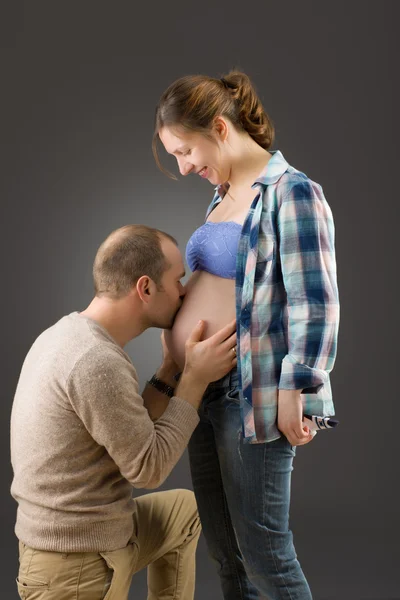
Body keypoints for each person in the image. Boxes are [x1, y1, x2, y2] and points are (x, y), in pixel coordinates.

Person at [152, 70, 340, 599]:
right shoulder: (224, 194)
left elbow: (314, 300)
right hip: (201, 391)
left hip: (249, 395)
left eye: (186, 151)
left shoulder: (293, 192)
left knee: (265, 558)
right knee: (227, 557)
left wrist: (295, 391)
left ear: (218, 127)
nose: (186, 167)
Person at [10, 224, 238, 600]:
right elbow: (148, 468)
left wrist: (169, 371)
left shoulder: (67, 334)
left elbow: (127, 431)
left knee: (183, 511)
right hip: (73, 564)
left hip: (97, 530)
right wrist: (194, 381)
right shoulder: (95, 362)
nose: (184, 291)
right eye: (178, 279)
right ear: (145, 288)